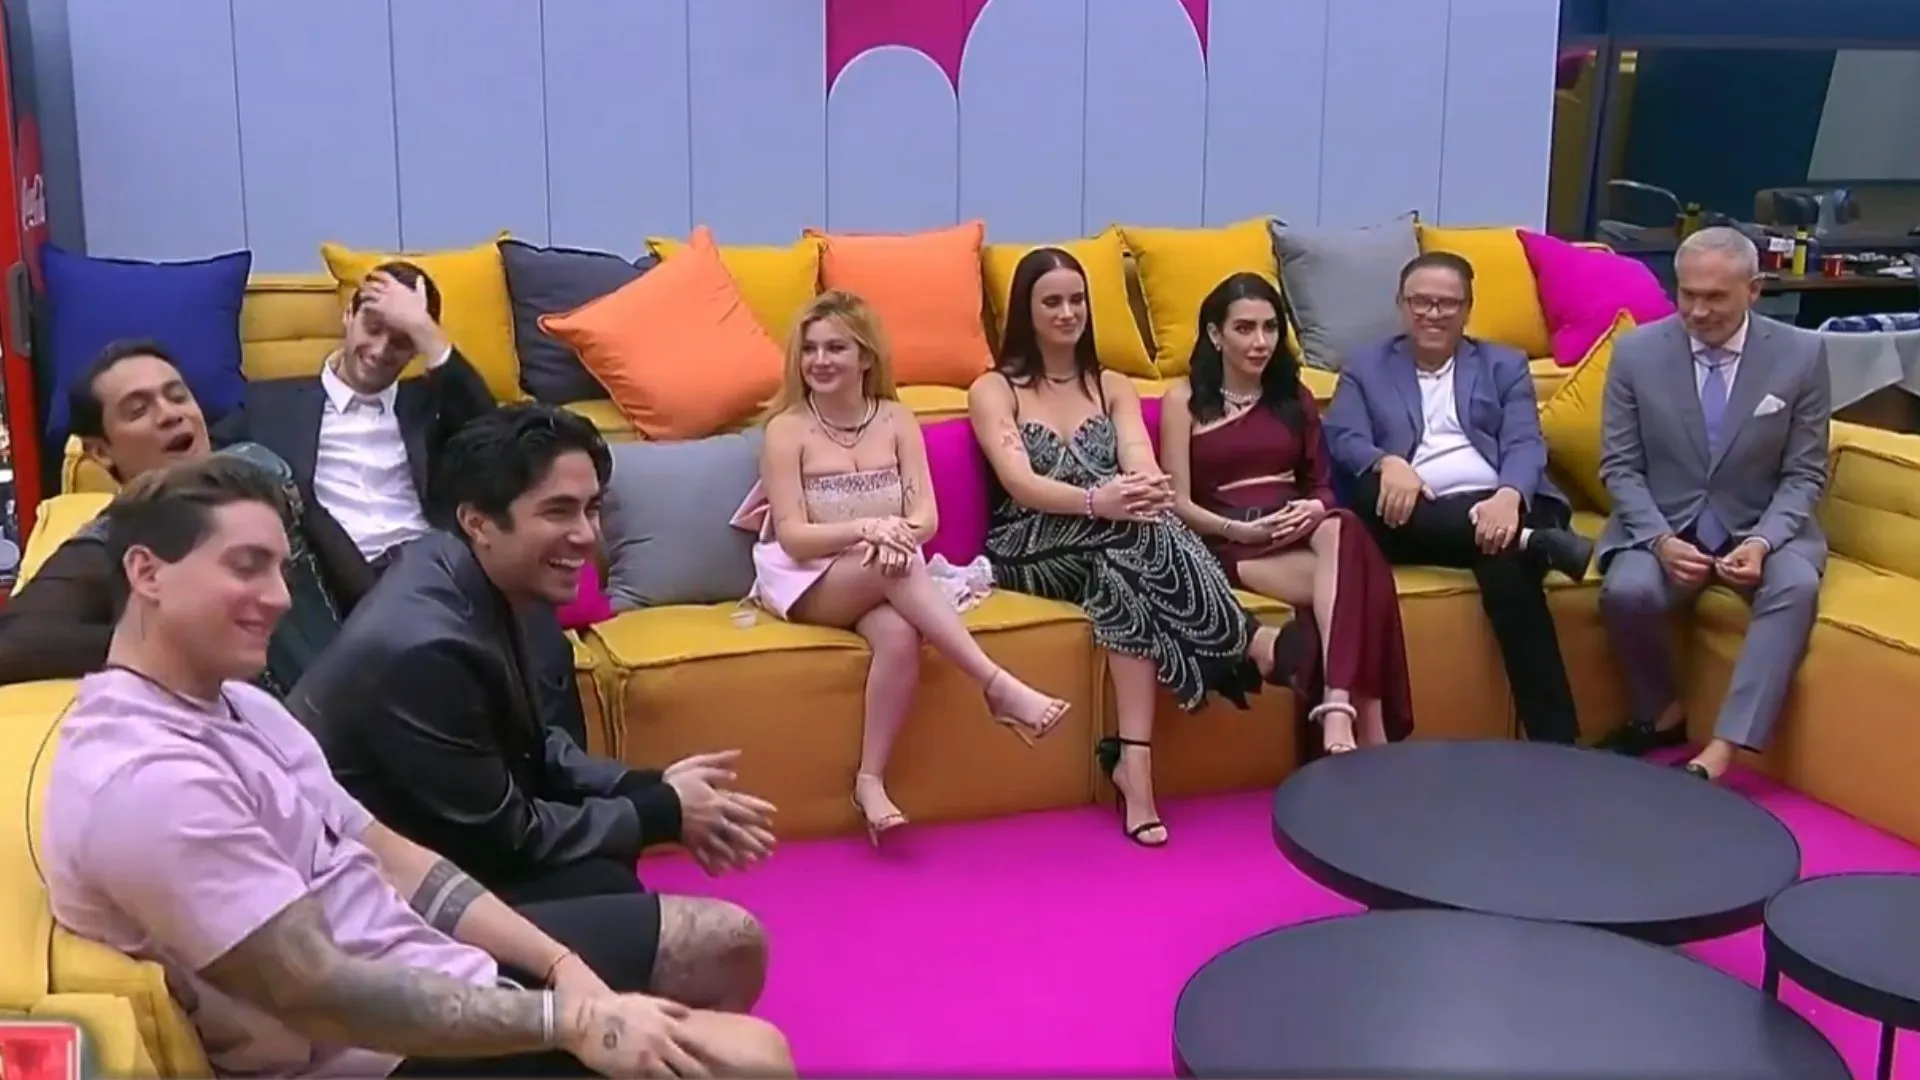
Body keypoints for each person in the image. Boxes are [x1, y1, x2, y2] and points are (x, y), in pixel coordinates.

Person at [41, 455, 793, 1079]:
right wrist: (572, 1020)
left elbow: (391, 857)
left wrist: (561, 965)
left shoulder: (237, 702)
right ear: (146, 573)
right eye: (246, 567)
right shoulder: (148, 784)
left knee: (726, 941)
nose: (279, 598)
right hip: (368, 1047)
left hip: (420, 964)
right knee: (753, 1058)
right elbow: (319, 990)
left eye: (279, 568)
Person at [290, 405, 776, 1008]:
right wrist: (663, 812)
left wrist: (651, 786)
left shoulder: (473, 573)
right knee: (728, 944)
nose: (587, 535)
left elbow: (534, 744)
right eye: (558, 511)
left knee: (606, 877)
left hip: (442, 857)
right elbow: (508, 836)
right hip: (372, 924)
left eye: (592, 508)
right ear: (478, 521)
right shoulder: (426, 648)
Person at [968, 247, 1283, 848]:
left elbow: (1137, 453)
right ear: (1026, 311)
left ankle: (1134, 767)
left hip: (1111, 537)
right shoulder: (995, 389)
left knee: (1120, 573)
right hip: (1029, 541)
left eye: (1077, 300)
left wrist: (1143, 486)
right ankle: (1245, 640)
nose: (1068, 312)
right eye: (1052, 302)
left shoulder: (1110, 385)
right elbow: (1020, 483)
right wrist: (1098, 501)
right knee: (1133, 532)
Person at [747, 291, 1070, 843]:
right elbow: (795, 538)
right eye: (810, 349)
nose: (819, 361)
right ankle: (995, 684)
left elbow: (925, 518)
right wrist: (870, 529)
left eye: (835, 348)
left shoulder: (897, 419)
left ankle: (869, 782)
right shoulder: (786, 429)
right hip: (812, 579)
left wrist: (895, 536)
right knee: (891, 566)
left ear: (865, 357)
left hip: (885, 566)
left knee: (899, 636)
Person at [1324, 252, 1594, 745]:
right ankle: (1533, 542)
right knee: (1367, 499)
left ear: (1468, 309)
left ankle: (1554, 742)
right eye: (1421, 301)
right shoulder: (1366, 367)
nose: (1433, 313)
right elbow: (1343, 436)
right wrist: (1388, 463)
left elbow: (1524, 442)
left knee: (1503, 562)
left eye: (1447, 303)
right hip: (1410, 512)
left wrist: (1508, 497)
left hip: (1502, 503)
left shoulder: (1503, 364)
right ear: (1401, 305)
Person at [0, 340, 371, 692]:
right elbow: (12, 643)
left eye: (178, 396)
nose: (170, 414)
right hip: (276, 727)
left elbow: (361, 589)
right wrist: (173, 639)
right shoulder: (114, 538)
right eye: (138, 410)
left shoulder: (265, 469)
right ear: (100, 452)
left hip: (364, 696)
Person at [1595, 226, 1830, 781]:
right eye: (1688, 294)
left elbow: (1804, 472)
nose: (1698, 311)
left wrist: (1763, 541)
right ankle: (1662, 712)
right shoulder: (1634, 352)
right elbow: (1620, 467)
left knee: (1796, 586)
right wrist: (1660, 540)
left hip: (1762, 524)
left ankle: (1723, 749)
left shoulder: (1802, 354)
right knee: (1626, 591)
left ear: (1755, 290)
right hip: (1664, 523)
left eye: (1715, 297)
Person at [1160, 273, 1414, 756]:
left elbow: (1320, 485)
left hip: (1297, 526)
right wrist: (1240, 529)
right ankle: (1372, 727)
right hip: (1230, 538)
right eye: (1245, 328)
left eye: (1270, 328)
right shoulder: (1183, 401)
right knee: (1362, 580)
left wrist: (1315, 506)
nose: (1260, 342)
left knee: (1342, 526)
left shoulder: (1294, 397)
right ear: (1215, 334)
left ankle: (1337, 705)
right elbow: (1178, 503)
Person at [216, 261, 495, 570]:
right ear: (348, 315)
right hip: (334, 577)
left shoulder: (432, 405)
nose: (380, 350)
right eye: (373, 329)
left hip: (430, 568)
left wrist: (424, 329)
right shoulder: (270, 404)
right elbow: (200, 464)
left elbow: (497, 442)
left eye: (402, 340)